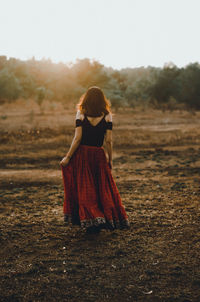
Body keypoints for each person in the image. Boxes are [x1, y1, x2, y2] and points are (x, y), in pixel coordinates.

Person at [60, 86, 129, 234]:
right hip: (98, 155)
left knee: (85, 188)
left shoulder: (81, 114)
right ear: (102, 100)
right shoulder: (107, 115)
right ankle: (101, 218)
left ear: (86, 99)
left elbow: (77, 138)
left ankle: (91, 218)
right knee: (101, 188)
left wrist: (68, 156)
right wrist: (110, 159)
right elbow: (108, 141)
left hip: (83, 154)